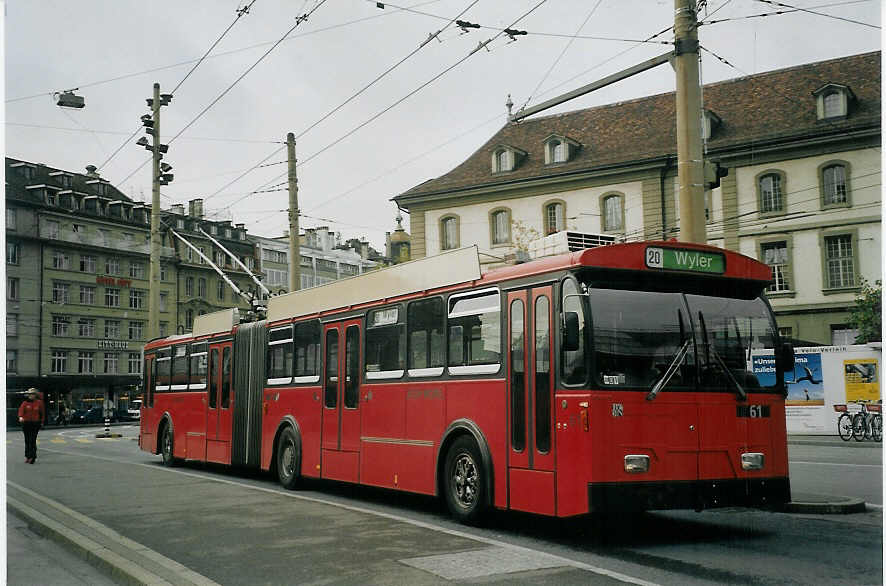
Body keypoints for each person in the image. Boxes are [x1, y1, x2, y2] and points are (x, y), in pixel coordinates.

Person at [18, 388, 44, 464]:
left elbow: (42, 413)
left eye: (32, 394)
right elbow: (21, 411)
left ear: (35, 395)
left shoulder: (39, 403)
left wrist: (42, 422)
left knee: (32, 440)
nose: (31, 395)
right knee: (27, 440)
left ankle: (32, 456)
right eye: (30, 394)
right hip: (26, 423)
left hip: (35, 424)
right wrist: (20, 417)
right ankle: (27, 456)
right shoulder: (25, 403)